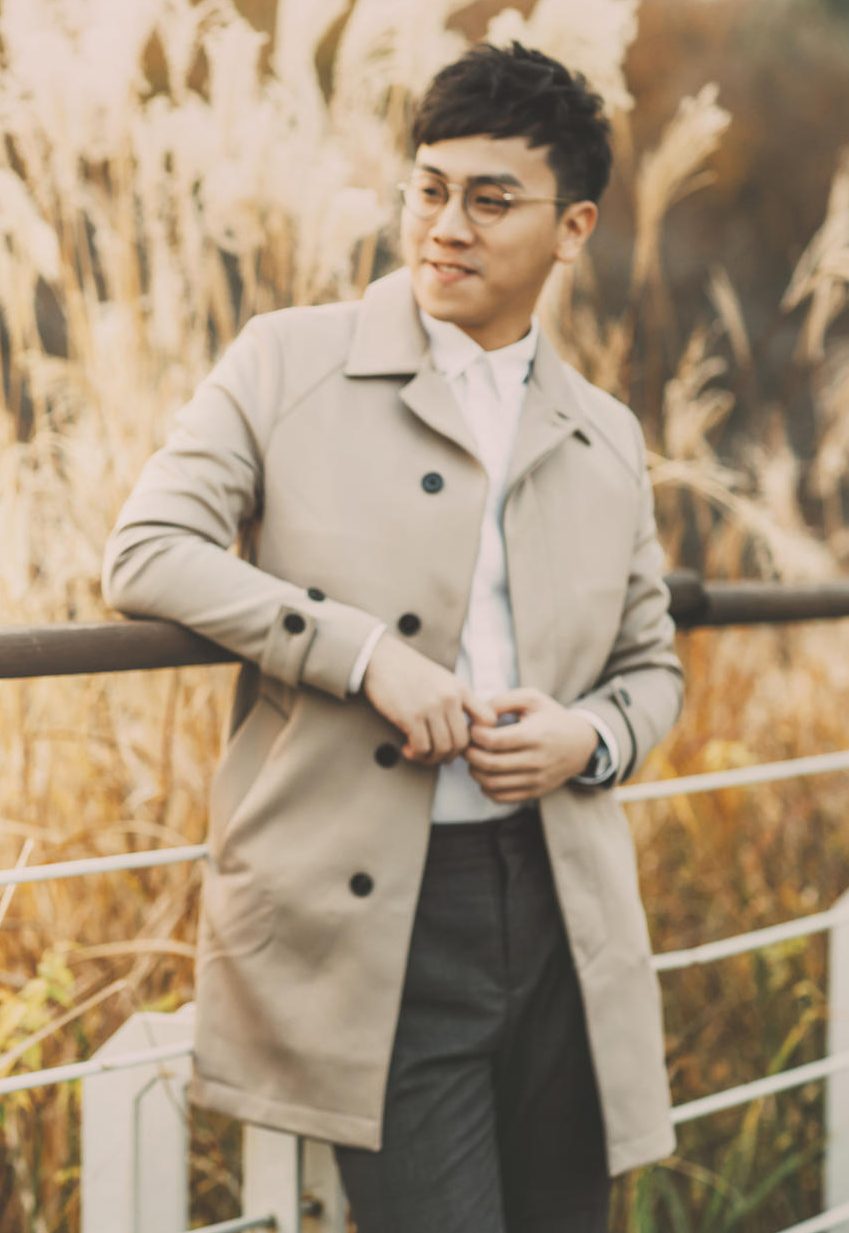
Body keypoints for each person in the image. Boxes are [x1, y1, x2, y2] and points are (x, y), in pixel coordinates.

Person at [103, 41, 683, 1233]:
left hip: (569, 918)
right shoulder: (285, 358)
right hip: (376, 923)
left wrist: (589, 739)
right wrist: (362, 655)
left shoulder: (607, 433)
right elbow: (147, 550)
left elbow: (652, 667)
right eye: (429, 188)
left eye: (491, 200)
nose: (446, 228)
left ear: (573, 228)